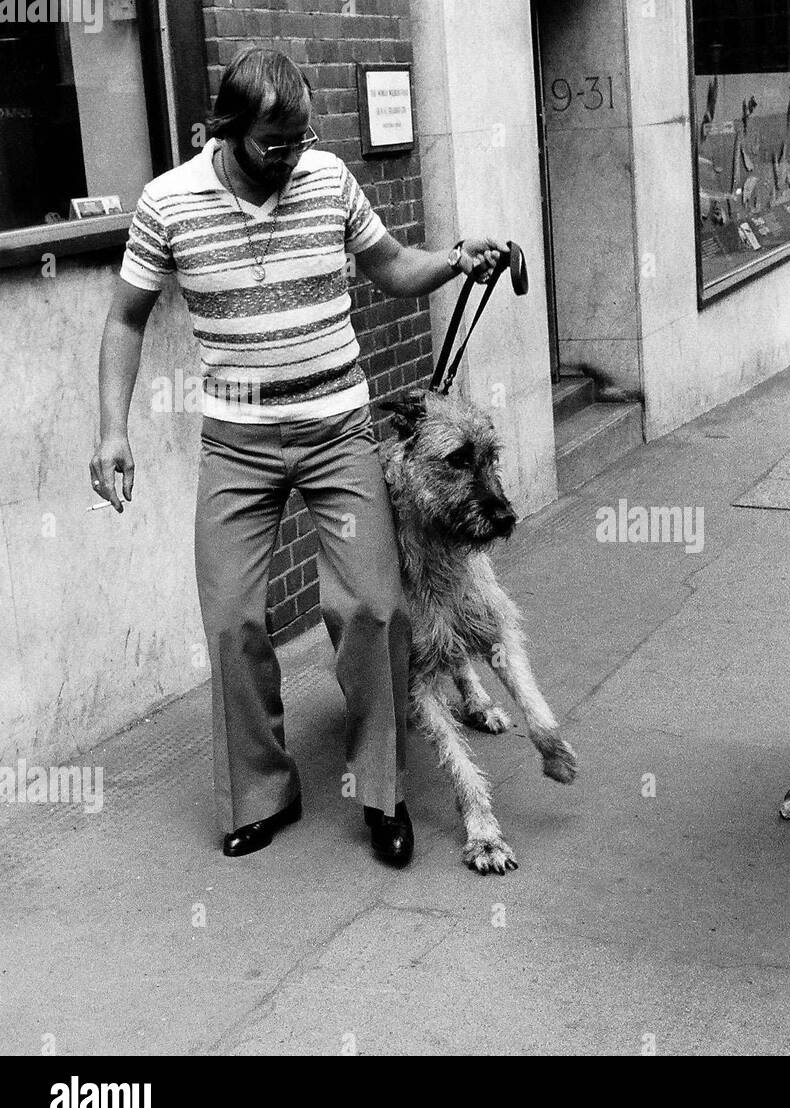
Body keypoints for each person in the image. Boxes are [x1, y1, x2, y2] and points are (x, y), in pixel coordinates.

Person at [91, 48, 507, 866]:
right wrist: (112, 429)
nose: (293, 156)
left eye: (302, 136)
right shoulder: (167, 203)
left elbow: (390, 266)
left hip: (337, 432)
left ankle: (382, 793)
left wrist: (453, 260)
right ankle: (260, 794)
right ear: (226, 131)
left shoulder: (328, 180)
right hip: (237, 443)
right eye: (275, 143)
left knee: (372, 606)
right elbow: (125, 320)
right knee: (233, 616)